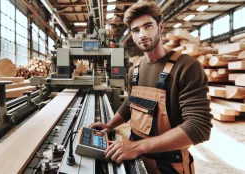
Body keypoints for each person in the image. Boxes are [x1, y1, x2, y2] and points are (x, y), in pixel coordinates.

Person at [89, 1, 213, 173]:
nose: (142, 34)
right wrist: (110, 125)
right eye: (136, 30)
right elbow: (132, 103)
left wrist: (138, 147)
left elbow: (199, 127)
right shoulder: (135, 71)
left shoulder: (186, 68)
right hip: (136, 159)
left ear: (160, 27)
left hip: (169, 165)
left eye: (148, 26)